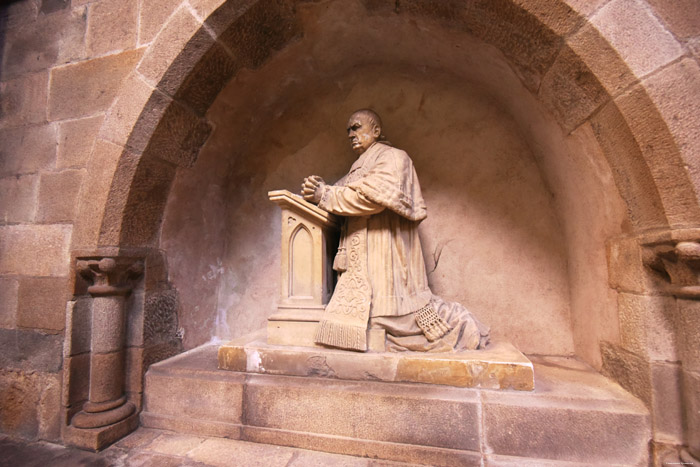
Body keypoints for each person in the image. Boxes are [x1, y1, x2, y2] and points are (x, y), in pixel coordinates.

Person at [302, 109, 489, 352]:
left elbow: (373, 197)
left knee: (396, 319)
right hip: (362, 257)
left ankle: (462, 324)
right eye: (348, 129)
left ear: (376, 131)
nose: (350, 134)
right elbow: (341, 193)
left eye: (356, 127)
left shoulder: (394, 158)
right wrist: (318, 189)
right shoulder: (357, 168)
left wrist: (325, 194)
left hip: (386, 255)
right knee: (376, 318)